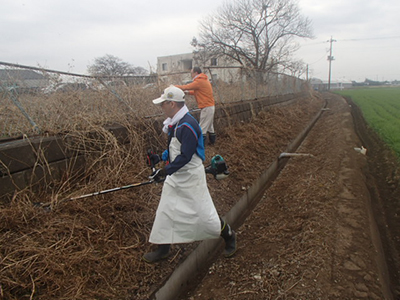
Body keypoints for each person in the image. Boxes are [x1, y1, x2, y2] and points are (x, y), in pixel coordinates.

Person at [143, 85, 236, 263]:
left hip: (191, 177)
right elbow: (173, 149)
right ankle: (163, 250)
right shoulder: (175, 122)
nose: (161, 107)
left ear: (172, 104)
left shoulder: (188, 125)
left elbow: (186, 155)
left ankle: (230, 235)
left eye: (163, 104)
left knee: (205, 216)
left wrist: (164, 171)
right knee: (165, 212)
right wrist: (158, 158)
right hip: (176, 176)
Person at [175, 67, 216, 146]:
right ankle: (212, 143)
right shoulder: (204, 80)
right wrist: (188, 93)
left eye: (192, 73)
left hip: (206, 107)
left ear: (196, 73)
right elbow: (197, 92)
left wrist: (174, 87)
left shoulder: (199, 81)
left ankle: (200, 146)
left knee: (202, 128)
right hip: (210, 106)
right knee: (210, 126)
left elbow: (186, 87)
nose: (191, 75)